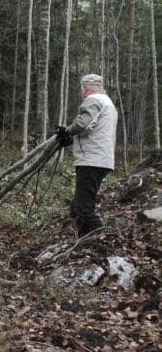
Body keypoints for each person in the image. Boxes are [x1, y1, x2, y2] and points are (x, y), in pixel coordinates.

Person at [56, 73, 117, 238]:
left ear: (86, 87)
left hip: (92, 159)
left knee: (83, 208)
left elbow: (83, 123)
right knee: (77, 208)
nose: (82, 93)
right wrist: (71, 137)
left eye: (82, 89)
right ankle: (85, 240)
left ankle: (106, 239)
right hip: (101, 160)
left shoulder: (94, 100)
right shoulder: (108, 103)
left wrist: (66, 131)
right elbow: (92, 128)